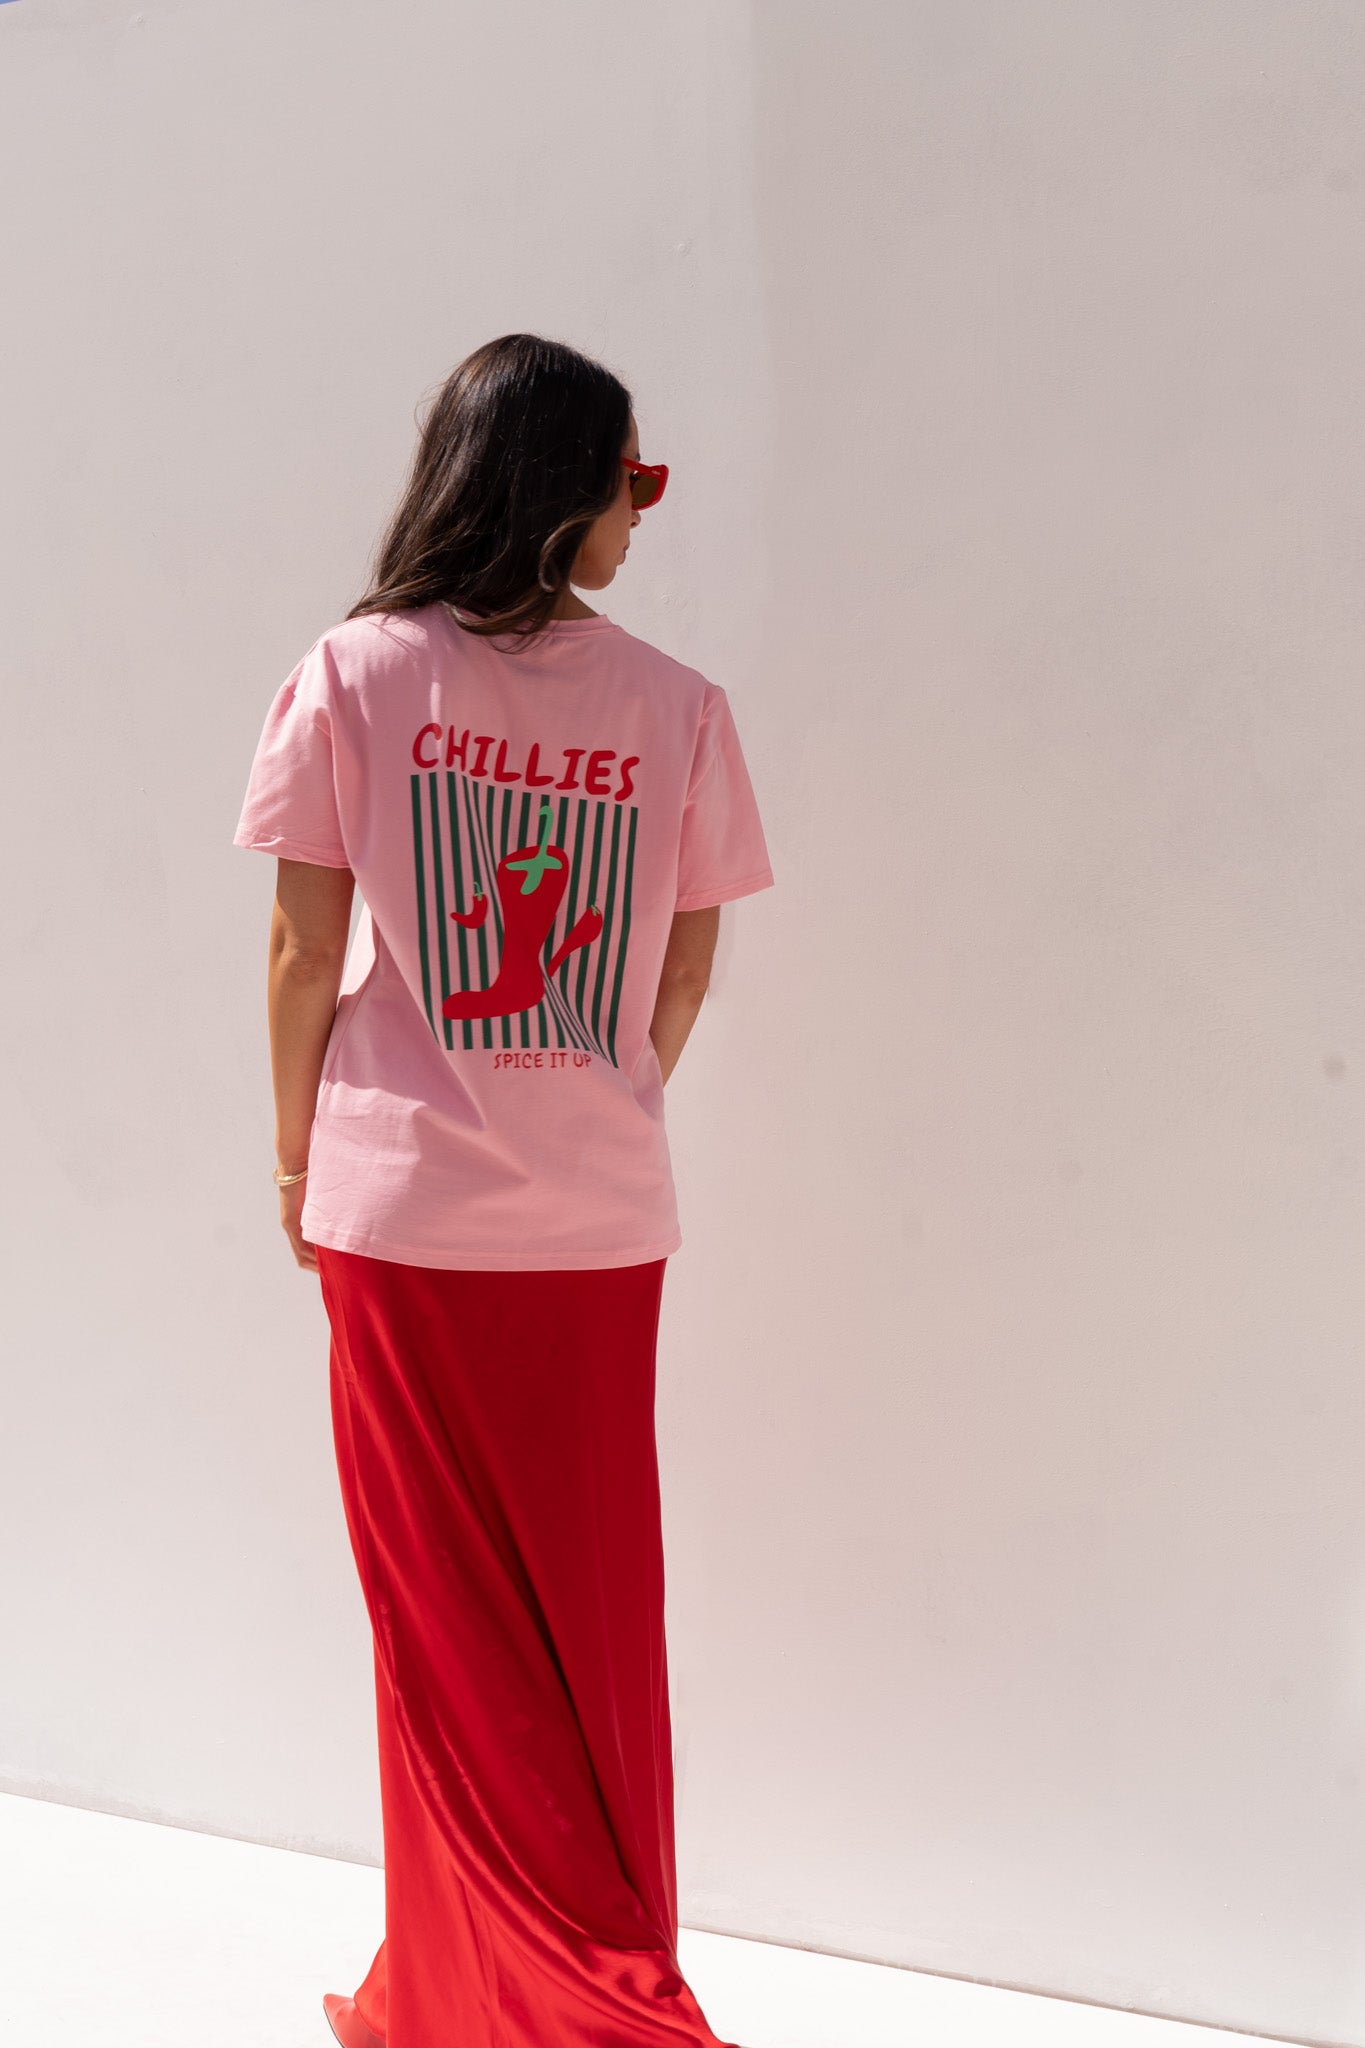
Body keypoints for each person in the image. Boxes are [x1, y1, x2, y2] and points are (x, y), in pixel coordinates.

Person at [233, 332, 775, 2048]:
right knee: (589, 1616)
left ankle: (477, 1990)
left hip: (397, 1210)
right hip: (598, 1223)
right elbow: (678, 970)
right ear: (555, 489)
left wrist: (295, 1157)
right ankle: (564, 1969)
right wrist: (589, 1098)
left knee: (441, 1622)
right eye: (634, 480)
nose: (643, 513)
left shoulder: (354, 673)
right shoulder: (677, 708)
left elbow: (302, 950)